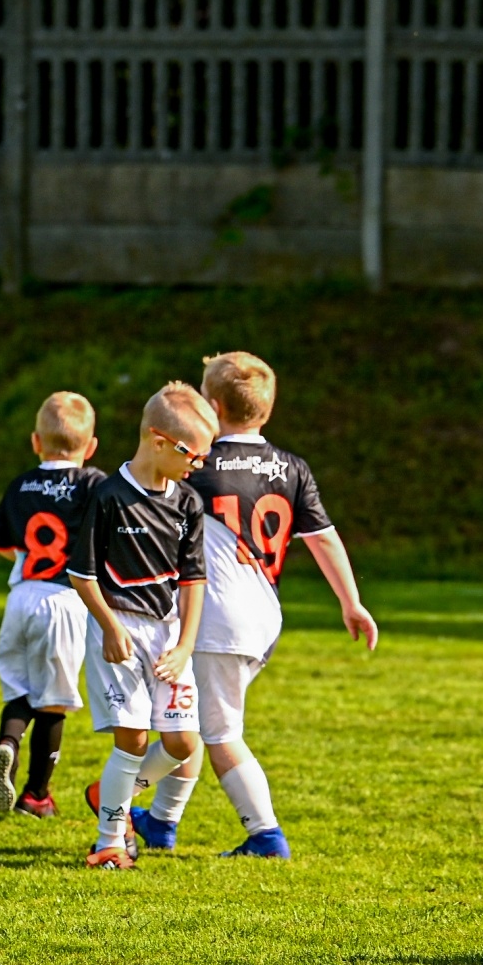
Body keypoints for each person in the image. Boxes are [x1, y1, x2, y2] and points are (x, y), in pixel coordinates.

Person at [135, 351, 378, 859]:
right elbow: (324, 538)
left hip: (216, 615)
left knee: (216, 732)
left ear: (212, 405)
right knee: (196, 719)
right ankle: (159, 823)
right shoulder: (292, 467)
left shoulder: (195, 465)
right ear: (265, 411)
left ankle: (264, 834)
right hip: (264, 614)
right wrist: (351, 602)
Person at [68, 382, 218, 869]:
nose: (199, 466)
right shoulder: (108, 495)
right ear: (158, 441)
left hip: (170, 635)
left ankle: (109, 791)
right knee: (131, 739)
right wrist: (110, 628)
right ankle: (110, 839)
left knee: (181, 743)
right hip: (120, 631)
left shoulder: (189, 503)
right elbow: (81, 573)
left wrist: (185, 645)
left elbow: (194, 579)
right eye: (193, 455)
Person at [0, 393, 107, 818]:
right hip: (65, 599)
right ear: (89, 448)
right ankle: (36, 796)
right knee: (54, 700)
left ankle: (7, 743)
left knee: (19, 690)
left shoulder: (20, 484)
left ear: (36, 441)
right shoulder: (94, 484)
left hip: (21, 596)